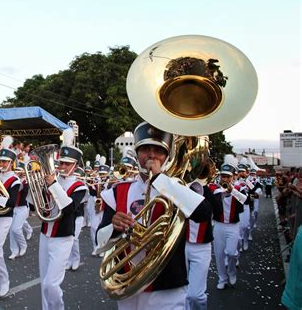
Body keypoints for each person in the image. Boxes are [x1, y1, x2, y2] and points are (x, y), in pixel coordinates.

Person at [96, 121, 211, 310]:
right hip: (127, 286)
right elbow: (99, 242)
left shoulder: (177, 187)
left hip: (167, 286)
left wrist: (160, 179)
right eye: (145, 149)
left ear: (166, 155)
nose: (151, 155)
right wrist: (114, 228)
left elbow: (203, 214)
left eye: (158, 150)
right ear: (137, 153)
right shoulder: (118, 191)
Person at [34, 128, 87, 310]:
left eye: (66, 164)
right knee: (44, 282)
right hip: (45, 233)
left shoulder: (80, 186)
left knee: (51, 284)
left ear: (75, 165)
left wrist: (53, 185)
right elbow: (37, 204)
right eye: (60, 163)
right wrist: (39, 184)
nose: (61, 166)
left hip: (63, 237)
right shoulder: (52, 179)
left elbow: (70, 208)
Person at [0, 136, 21, 299]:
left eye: (5, 162)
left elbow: (11, 202)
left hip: (5, 217)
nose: (1, 164)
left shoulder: (15, 180)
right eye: (0, 161)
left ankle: (5, 280)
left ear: (11, 163)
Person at [185, 158, 219, 310]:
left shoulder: (209, 191)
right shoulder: (182, 189)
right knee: (182, 294)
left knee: (196, 296)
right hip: (181, 245)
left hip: (202, 247)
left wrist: (204, 187)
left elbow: (218, 211)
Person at [212, 156, 247, 290]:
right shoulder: (215, 189)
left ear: (233, 177)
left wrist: (232, 191)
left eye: (228, 177)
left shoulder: (239, 189)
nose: (225, 179)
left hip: (233, 226)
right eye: (223, 176)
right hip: (219, 226)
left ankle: (232, 271)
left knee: (232, 253)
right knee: (219, 255)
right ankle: (222, 278)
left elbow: (245, 200)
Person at [66, 166, 89, 271]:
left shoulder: (82, 188)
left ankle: (76, 259)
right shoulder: (68, 185)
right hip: (70, 216)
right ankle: (69, 260)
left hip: (79, 215)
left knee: (74, 238)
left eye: (78, 177)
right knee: (68, 239)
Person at [9, 160, 30, 259]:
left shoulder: (26, 182)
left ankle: (23, 245)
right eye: (16, 170)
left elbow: (24, 191)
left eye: (19, 171)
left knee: (16, 229)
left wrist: (19, 181)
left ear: (23, 172)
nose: (16, 172)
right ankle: (14, 250)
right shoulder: (14, 181)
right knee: (11, 230)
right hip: (13, 208)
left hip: (22, 207)